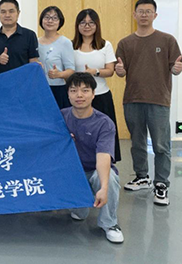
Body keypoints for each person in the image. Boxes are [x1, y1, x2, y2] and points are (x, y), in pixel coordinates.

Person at [115, 0, 182, 206]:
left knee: (161, 145)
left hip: (159, 99)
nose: (144, 15)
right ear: (134, 15)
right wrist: (120, 71)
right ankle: (142, 176)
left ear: (155, 15)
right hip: (132, 99)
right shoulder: (125, 43)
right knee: (137, 142)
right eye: (141, 11)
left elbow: (176, 67)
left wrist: (177, 69)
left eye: (148, 11)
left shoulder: (167, 40)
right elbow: (121, 71)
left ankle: (161, 184)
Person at [61, 72, 124, 244]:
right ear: (68, 94)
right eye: (73, 91)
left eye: (85, 90)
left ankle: (110, 224)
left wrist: (103, 187)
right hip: (73, 173)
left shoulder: (104, 123)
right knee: (79, 214)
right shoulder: (61, 117)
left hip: (95, 169)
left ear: (93, 94)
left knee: (108, 179)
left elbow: (103, 157)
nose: (79, 95)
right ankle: (80, 205)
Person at [72, 8, 121, 162]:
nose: (87, 26)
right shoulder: (71, 45)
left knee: (104, 132)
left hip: (100, 95)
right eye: (83, 23)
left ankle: (106, 166)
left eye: (91, 23)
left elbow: (110, 70)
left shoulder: (105, 45)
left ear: (97, 25)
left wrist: (95, 72)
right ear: (77, 25)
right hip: (79, 97)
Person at [0, 0, 39, 76]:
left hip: (22, 82)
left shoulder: (29, 35)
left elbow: (33, 62)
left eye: (11, 11)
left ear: (18, 13)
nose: (7, 15)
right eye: (3, 12)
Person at [38, 6, 75, 108]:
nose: (50, 21)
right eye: (47, 17)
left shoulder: (65, 42)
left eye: (54, 18)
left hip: (57, 89)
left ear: (60, 22)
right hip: (39, 89)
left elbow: (71, 70)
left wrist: (59, 74)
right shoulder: (35, 42)